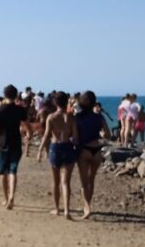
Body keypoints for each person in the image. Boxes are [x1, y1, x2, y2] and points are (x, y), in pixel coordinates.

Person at [37, 91, 79, 218]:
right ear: (67, 102)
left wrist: (39, 150)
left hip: (55, 147)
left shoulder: (51, 117)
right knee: (66, 182)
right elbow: (76, 138)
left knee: (55, 181)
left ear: (55, 103)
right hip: (68, 147)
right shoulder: (71, 117)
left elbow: (46, 135)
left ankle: (57, 209)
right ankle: (67, 210)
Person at [0, 84, 28, 210]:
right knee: (13, 171)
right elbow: (27, 124)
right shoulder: (20, 110)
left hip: (2, 143)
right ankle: (12, 196)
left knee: (3, 172)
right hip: (16, 142)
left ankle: (6, 198)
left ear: (4, 94)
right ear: (16, 95)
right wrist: (30, 134)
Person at [75, 90, 110, 219]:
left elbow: (74, 135)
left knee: (84, 182)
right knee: (92, 179)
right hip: (97, 150)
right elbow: (108, 135)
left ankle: (87, 207)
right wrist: (100, 135)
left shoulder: (77, 117)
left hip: (84, 149)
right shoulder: (99, 117)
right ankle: (88, 205)